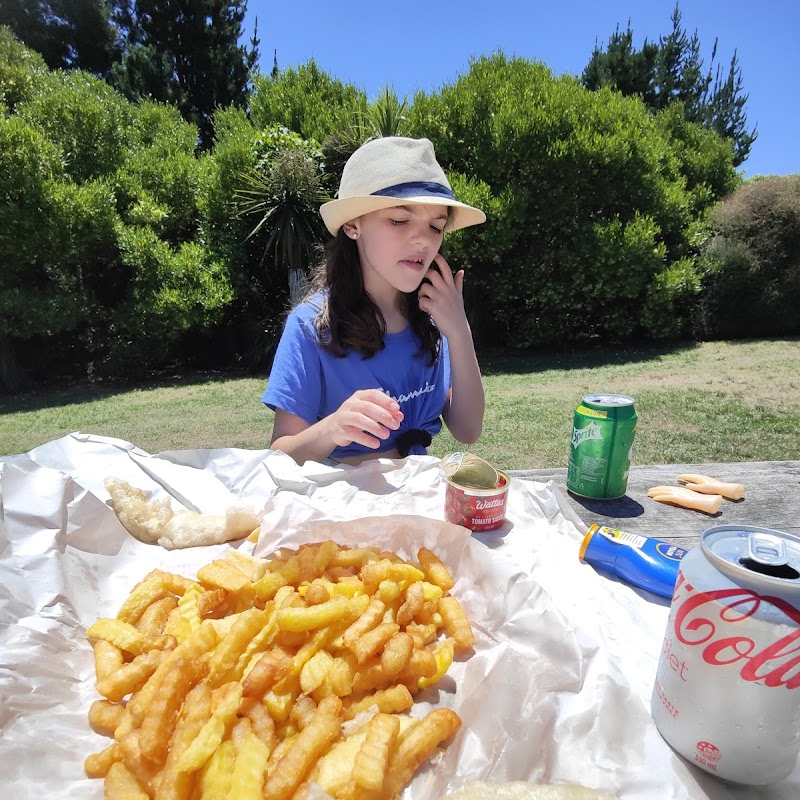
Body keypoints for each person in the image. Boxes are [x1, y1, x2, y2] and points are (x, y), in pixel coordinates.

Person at [262, 136, 487, 465]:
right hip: (342, 510)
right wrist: (332, 428)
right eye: (399, 220)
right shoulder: (311, 326)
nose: (423, 240)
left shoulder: (433, 319)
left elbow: (467, 430)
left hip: (416, 504)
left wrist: (460, 331)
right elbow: (277, 457)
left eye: (436, 227)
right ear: (353, 225)